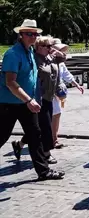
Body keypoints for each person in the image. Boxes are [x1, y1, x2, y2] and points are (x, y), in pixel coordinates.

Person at [0, 20, 64, 180]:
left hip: (26, 103)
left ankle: (44, 171)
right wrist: (29, 100)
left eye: (35, 34)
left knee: (36, 135)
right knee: (2, 135)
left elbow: (34, 78)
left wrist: (35, 99)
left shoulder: (29, 52)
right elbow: (10, 82)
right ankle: (44, 170)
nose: (33, 36)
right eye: (29, 33)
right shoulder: (13, 54)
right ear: (20, 35)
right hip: (10, 103)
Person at [12, 35, 66, 164]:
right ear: (38, 47)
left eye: (50, 46)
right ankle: (46, 154)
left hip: (49, 97)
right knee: (45, 127)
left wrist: (57, 52)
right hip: (38, 98)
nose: (49, 48)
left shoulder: (50, 57)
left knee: (38, 127)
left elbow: (63, 59)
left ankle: (19, 145)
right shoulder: (35, 59)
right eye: (47, 46)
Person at [50, 38, 84, 149]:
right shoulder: (46, 60)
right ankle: (52, 139)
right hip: (47, 93)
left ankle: (54, 139)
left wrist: (76, 84)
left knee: (56, 114)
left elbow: (66, 74)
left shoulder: (60, 62)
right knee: (46, 118)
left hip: (56, 93)